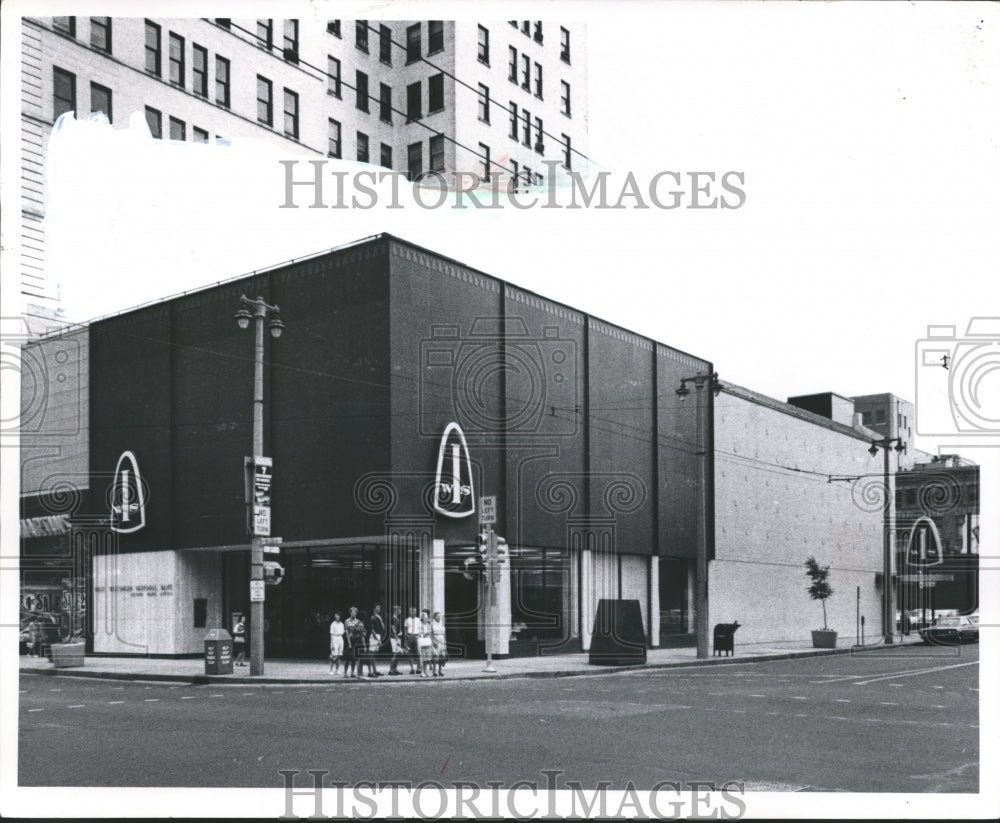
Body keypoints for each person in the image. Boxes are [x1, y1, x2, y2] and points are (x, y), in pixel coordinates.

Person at [344, 606, 365, 678]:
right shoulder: (347, 621)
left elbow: (361, 632)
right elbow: (346, 632)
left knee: (354, 657)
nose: (354, 613)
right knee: (348, 657)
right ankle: (345, 672)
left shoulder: (358, 621)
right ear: (350, 613)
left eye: (355, 612)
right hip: (349, 640)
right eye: (353, 612)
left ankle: (352, 672)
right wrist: (349, 642)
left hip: (356, 640)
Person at [366, 604, 385, 677]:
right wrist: (378, 640)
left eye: (379, 607)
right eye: (378, 607)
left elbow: (383, 627)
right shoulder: (372, 618)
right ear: (374, 609)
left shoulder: (379, 617)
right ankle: (370, 672)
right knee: (371, 654)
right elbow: (372, 630)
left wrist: (380, 619)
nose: (379, 608)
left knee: (374, 655)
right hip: (374, 636)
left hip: (378, 635)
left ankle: (375, 671)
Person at [403, 606, 421, 675]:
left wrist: (419, 636)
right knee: (410, 653)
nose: (413, 612)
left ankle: (418, 668)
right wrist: (406, 639)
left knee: (418, 653)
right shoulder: (407, 620)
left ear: (416, 612)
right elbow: (405, 630)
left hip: (416, 636)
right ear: (409, 612)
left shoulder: (419, 620)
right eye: (411, 611)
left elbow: (420, 629)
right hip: (409, 636)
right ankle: (412, 669)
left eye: (414, 611)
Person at [417, 609, 433, 677]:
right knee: (423, 658)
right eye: (424, 617)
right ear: (422, 618)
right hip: (422, 642)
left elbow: (430, 632)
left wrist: (427, 633)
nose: (426, 618)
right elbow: (420, 633)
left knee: (427, 658)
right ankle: (422, 672)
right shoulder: (419, 624)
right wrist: (425, 634)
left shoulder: (428, 624)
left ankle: (425, 671)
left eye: (426, 617)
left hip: (428, 641)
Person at [387, 605, 403, 675]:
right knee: (395, 654)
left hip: (398, 638)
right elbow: (393, 630)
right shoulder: (392, 619)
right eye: (400, 610)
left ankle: (395, 669)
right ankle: (391, 670)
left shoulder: (397, 619)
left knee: (398, 654)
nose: (401, 611)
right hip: (394, 638)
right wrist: (397, 639)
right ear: (396, 610)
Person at [430, 611, 447, 676]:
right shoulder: (432, 624)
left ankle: (440, 670)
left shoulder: (442, 624)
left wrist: (445, 642)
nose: (439, 618)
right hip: (435, 641)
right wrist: (433, 642)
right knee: (436, 657)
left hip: (442, 641)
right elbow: (430, 634)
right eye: (437, 616)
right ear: (434, 617)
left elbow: (444, 634)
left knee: (442, 657)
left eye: (440, 616)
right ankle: (434, 671)